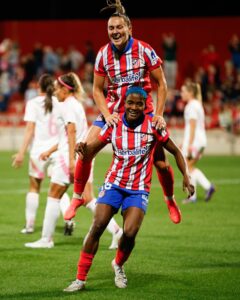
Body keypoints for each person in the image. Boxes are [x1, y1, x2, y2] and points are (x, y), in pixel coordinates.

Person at [63, 86, 194, 292]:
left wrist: (186, 176)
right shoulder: (113, 124)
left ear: (144, 106)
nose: (133, 107)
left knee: (130, 232)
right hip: (114, 184)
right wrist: (83, 148)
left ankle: (118, 265)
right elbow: (92, 149)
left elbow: (176, 151)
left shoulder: (153, 125)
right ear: (124, 104)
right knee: (97, 226)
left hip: (139, 188)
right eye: (130, 103)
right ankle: (80, 279)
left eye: (138, 104)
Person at [65, 0, 181, 225]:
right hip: (114, 113)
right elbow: (98, 90)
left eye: (119, 27)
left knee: (161, 163)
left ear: (129, 28)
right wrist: (107, 115)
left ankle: (170, 199)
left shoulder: (144, 50)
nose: (115, 32)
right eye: (111, 28)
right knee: (85, 151)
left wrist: (158, 114)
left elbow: (162, 83)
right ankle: (78, 197)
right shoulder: (102, 55)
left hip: (143, 115)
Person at [24, 72, 122, 248]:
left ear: (65, 89)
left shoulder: (67, 106)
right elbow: (69, 135)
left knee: (54, 196)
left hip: (68, 157)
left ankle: (46, 239)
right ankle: (116, 231)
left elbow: (71, 132)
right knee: (88, 198)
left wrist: (70, 160)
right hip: (83, 156)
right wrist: (50, 150)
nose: (54, 92)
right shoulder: (76, 105)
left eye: (56, 88)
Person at [12, 74, 71, 234]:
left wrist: (21, 152)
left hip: (38, 152)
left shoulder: (32, 103)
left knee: (34, 187)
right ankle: (68, 218)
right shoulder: (60, 102)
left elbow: (30, 129)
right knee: (58, 187)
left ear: (39, 86)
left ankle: (30, 225)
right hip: (57, 151)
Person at [180, 82, 215, 204]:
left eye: (183, 91)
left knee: (187, 167)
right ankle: (204, 189)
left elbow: (193, 126)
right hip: (199, 141)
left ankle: (198, 192)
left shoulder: (192, 106)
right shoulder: (196, 105)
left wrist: (189, 144)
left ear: (190, 93)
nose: (181, 94)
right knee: (189, 167)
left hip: (195, 142)